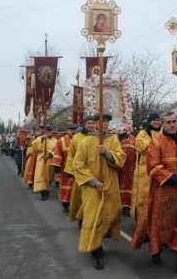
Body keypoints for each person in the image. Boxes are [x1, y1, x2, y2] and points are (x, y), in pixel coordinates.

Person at [130, 112, 177, 279]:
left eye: (174, 121)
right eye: (168, 122)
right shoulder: (156, 143)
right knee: (159, 225)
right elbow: (153, 168)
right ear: (162, 125)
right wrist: (176, 179)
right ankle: (156, 251)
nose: (172, 125)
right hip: (164, 192)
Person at [73, 113, 126, 270]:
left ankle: (99, 241)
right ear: (95, 124)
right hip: (92, 188)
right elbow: (78, 164)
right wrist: (93, 182)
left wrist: (108, 153)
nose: (104, 125)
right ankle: (97, 253)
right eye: (101, 122)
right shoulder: (86, 141)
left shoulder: (113, 140)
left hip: (110, 187)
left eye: (107, 122)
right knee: (93, 217)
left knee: (110, 213)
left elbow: (121, 159)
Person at [64, 115, 96, 228]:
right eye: (89, 123)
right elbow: (71, 156)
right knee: (81, 198)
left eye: (93, 123)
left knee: (93, 198)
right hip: (80, 173)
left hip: (95, 173)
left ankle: (92, 219)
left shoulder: (99, 137)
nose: (91, 125)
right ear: (84, 125)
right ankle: (81, 218)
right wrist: (70, 173)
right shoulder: (77, 138)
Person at [130, 112, 162, 222]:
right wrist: (152, 139)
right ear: (150, 121)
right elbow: (139, 147)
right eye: (154, 120)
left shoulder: (163, 133)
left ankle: (155, 222)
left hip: (160, 169)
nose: (156, 122)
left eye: (158, 120)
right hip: (144, 171)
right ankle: (141, 221)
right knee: (143, 197)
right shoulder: (143, 133)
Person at [51, 124, 77, 212]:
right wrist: (57, 170)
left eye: (74, 130)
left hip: (78, 169)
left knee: (76, 189)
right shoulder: (61, 141)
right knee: (67, 188)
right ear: (67, 130)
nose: (73, 131)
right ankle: (65, 204)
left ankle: (75, 204)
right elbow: (57, 155)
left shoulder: (79, 139)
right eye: (71, 130)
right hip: (66, 169)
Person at [32, 126, 57, 200]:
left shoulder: (56, 141)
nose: (49, 133)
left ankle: (47, 190)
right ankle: (43, 192)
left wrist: (50, 155)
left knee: (49, 176)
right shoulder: (40, 138)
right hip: (41, 159)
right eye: (47, 131)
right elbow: (35, 145)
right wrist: (42, 138)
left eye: (50, 131)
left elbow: (57, 150)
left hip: (50, 160)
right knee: (40, 175)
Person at [116, 124, 136, 216]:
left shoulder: (134, 139)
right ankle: (119, 205)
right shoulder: (116, 139)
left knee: (130, 186)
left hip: (131, 167)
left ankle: (128, 206)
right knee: (119, 185)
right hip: (119, 167)